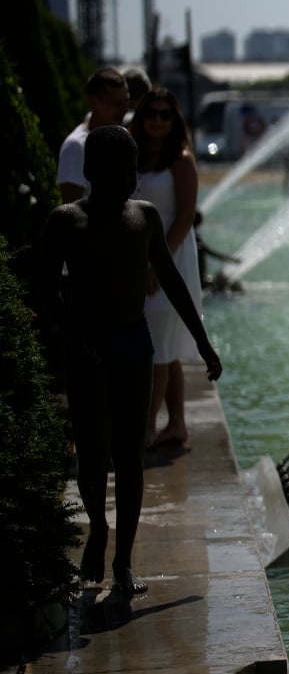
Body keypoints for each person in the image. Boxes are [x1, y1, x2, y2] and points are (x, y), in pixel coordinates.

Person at [39, 126, 222, 596]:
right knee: (93, 452)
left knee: (131, 454)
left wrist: (202, 343)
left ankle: (123, 560)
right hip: (88, 349)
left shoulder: (144, 218)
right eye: (121, 169)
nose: (130, 179)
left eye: (133, 167)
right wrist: (72, 338)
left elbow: (173, 281)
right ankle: (98, 526)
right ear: (93, 172)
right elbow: (42, 290)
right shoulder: (67, 220)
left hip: (133, 344)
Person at [130, 87, 203, 450]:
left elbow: (186, 216)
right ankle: (176, 425)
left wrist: (159, 265)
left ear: (175, 121)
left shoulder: (181, 159)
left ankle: (145, 429)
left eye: (165, 115)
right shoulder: (136, 155)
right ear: (140, 117)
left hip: (171, 257)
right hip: (140, 256)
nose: (157, 120)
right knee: (165, 347)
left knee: (156, 346)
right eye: (151, 114)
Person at [56, 69, 130, 203]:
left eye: (126, 101)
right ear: (93, 102)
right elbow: (72, 211)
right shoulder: (76, 146)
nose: (124, 109)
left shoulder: (123, 138)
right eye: (117, 103)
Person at [193, 210, 242, 291]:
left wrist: (232, 260)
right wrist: (232, 260)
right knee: (229, 283)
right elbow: (212, 253)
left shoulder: (192, 240)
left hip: (200, 280)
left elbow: (211, 252)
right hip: (200, 282)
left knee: (224, 279)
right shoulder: (195, 241)